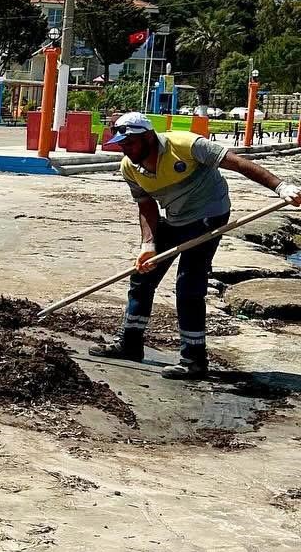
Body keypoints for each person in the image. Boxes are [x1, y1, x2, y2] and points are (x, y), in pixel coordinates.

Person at [90, 111, 301, 380]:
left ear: (147, 137)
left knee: (189, 284)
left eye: (129, 143)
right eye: (121, 144)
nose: (125, 149)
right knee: (142, 277)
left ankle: (194, 359)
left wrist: (280, 187)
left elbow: (236, 163)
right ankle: (130, 345)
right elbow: (146, 206)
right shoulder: (129, 167)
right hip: (175, 218)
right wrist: (149, 244)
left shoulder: (186, 144)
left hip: (208, 215)